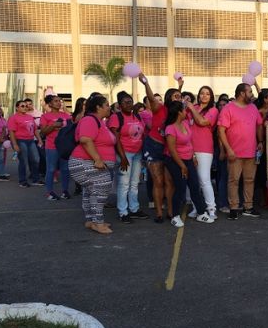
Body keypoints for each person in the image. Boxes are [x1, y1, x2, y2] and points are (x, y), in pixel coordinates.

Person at [68, 95, 116, 235]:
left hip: (87, 162)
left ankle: (92, 220)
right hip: (85, 162)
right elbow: (85, 139)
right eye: (106, 105)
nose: (109, 107)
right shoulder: (90, 120)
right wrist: (97, 159)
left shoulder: (99, 121)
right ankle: (98, 223)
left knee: (91, 191)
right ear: (98, 107)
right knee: (99, 191)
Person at [217, 83, 264, 220]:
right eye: (249, 92)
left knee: (249, 180)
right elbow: (221, 131)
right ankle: (233, 208)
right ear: (242, 93)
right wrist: (228, 149)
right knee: (233, 181)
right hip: (234, 153)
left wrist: (260, 141)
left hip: (251, 152)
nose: (252, 94)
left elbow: (259, 124)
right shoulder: (228, 108)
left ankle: (248, 207)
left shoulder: (253, 107)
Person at [163, 102, 214, 227]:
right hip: (175, 160)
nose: (187, 112)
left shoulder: (185, 123)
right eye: (185, 110)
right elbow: (172, 150)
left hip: (188, 159)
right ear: (179, 112)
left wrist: (193, 156)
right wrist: (182, 166)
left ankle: (201, 213)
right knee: (180, 188)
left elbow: (189, 142)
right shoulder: (170, 128)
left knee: (195, 186)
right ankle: (175, 216)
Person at [141, 75, 182, 223]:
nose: (179, 98)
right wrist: (145, 82)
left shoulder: (178, 113)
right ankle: (159, 213)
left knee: (169, 182)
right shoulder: (160, 108)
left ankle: (170, 211)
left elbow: (176, 96)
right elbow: (151, 98)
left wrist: (179, 86)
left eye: (180, 96)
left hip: (169, 148)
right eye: (176, 96)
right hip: (154, 146)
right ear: (169, 97)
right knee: (158, 181)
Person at [108, 91, 148, 223]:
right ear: (120, 105)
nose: (129, 105)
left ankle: (134, 209)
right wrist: (123, 157)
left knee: (134, 183)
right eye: (125, 103)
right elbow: (116, 139)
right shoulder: (116, 118)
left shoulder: (137, 116)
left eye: (130, 102)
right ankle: (123, 212)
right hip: (124, 154)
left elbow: (142, 133)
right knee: (124, 183)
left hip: (137, 154)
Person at [186, 86, 219, 220]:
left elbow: (202, 121)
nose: (204, 96)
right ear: (198, 95)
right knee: (194, 181)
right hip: (189, 148)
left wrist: (192, 108)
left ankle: (211, 209)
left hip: (204, 148)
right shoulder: (192, 107)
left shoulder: (213, 110)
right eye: (202, 93)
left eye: (207, 94)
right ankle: (197, 207)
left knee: (204, 180)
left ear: (211, 97)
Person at [39, 94, 73, 199]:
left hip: (64, 147)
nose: (59, 103)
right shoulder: (45, 116)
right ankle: (50, 192)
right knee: (51, 169)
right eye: (56, 101)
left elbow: (71, 130)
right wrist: (53, 125)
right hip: (52, 146)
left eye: (60, 101)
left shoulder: (66, 116)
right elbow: (43, 132)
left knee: (65, 169)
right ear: (50, 104)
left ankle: (65, 191)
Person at [8, 100, 42, 187]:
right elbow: (11, 132)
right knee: (23, 161)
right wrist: (15, 144)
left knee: (36, 159)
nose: (25, 108)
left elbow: (35, 130)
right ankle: (22, 181)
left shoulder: (30, 117)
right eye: (22, 106)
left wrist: (39, 140)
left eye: (26, 106)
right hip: (20, 140)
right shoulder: (13, 118)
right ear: (17, 108)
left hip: (30, 141)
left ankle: (36, 180)